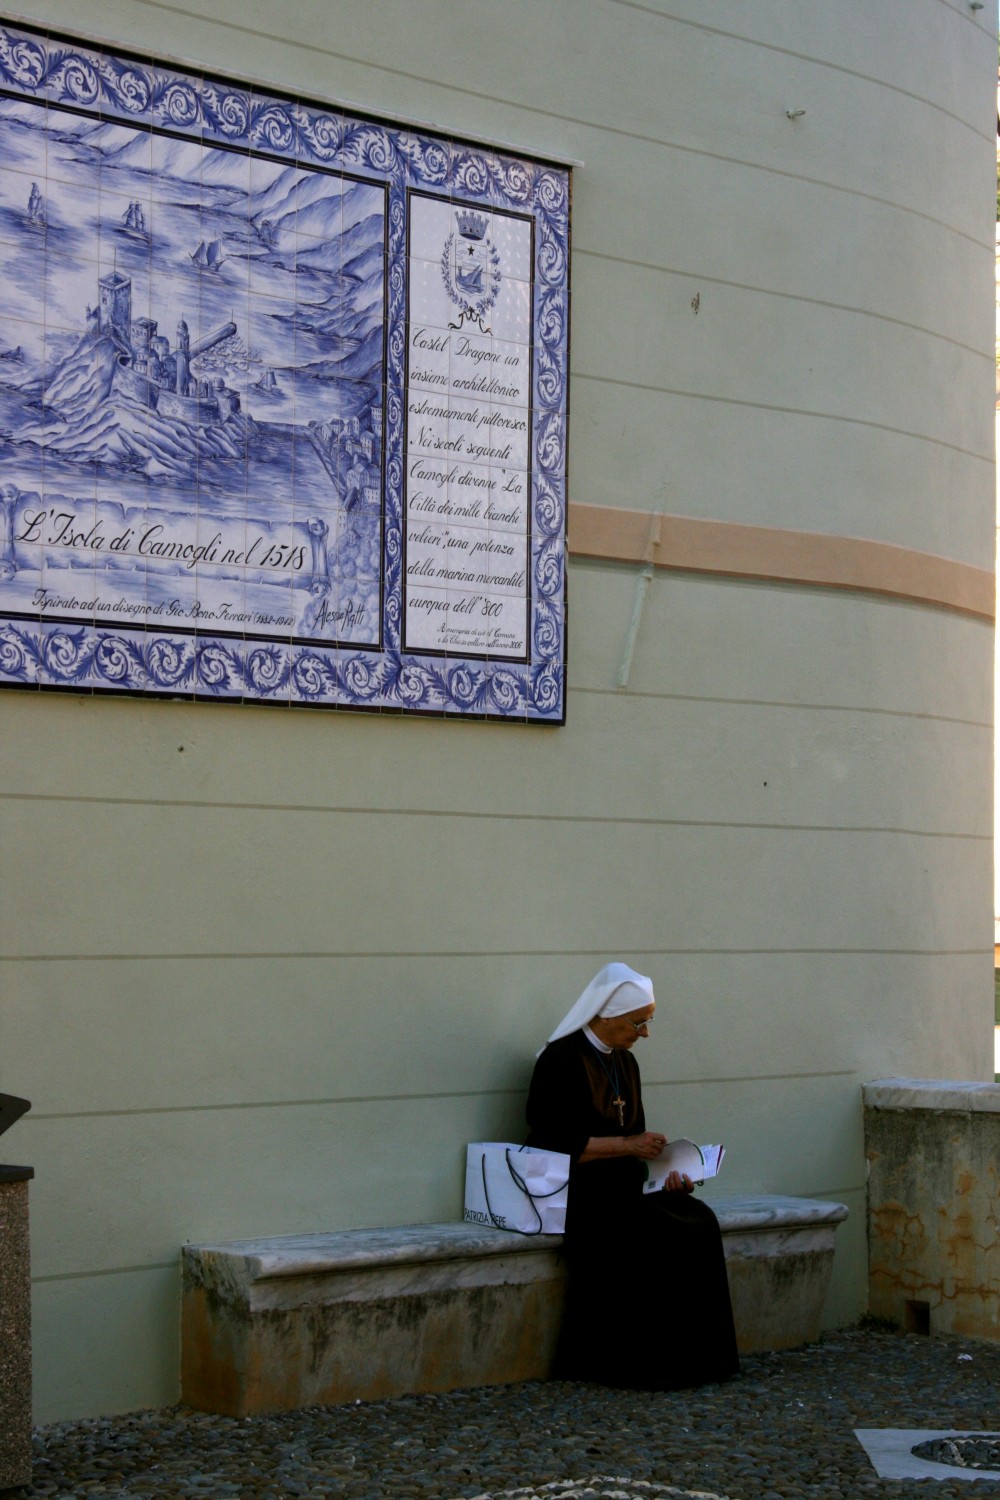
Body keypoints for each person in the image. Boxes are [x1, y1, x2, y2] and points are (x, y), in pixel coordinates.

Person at [525, 962, 739, 1389]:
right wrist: (627, 1147)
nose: (645, 1034)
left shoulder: (625, 1063)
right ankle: (643, 1365)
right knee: (657, 1230)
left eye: (648, 1022)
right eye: (638, 1023)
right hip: (580, 1192)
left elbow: (638, 1137)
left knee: (697, 1219)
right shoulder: (561, 1060)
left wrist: (669, 1174)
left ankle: (698, 1361)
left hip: (627, 1185)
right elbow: (552, 1143)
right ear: (606, 1016)